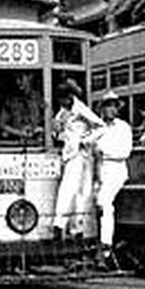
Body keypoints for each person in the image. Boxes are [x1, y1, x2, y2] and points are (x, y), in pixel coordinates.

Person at [52, 78, 104, 240]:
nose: (62, 102)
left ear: (69, 97)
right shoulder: (62, 112)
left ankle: (75, 227)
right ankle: (61, 225)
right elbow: (57, 132)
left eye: (63, 99)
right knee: (70, 188)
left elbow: (101, 126)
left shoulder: (81, 109)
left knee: (82, 191)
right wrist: (59, 134)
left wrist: (85, 140)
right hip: (71, 154)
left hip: (83, 154)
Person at [86, 91, 133, 263]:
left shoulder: (123, 127)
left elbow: (124, 152)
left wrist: (103, 152)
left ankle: (105, 247)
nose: (111, 110)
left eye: (114, 106)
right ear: (102, 109)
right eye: (108, 106)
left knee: (104, 202)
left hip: (116, 171)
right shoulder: (96, 127)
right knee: (88, 202)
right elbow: (86, 145)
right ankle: (90, 243)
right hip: (97, 170)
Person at [0, 72, 44, 142]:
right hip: (16, 143)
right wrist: (18, 132)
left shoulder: (39, 98)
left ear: (30, 76)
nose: (17, 82)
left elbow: (50, 120)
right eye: (16, 79)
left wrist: (40, 129)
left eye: (21, 78)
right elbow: (2, 124)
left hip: (38, 143)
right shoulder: (10, 100)